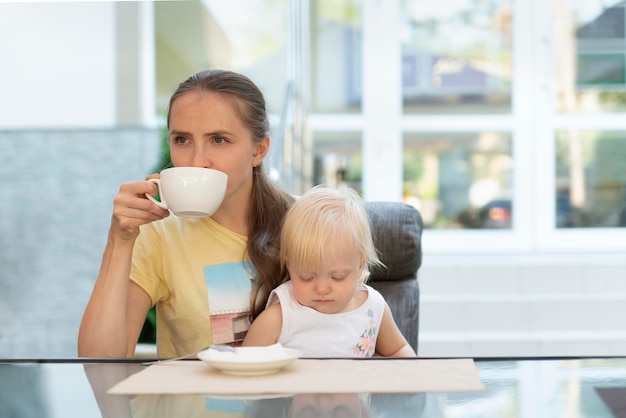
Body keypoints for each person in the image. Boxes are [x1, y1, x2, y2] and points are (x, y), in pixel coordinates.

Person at [78, 69, 294, 358]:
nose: (196, 161)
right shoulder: (159, 234)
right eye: (182, 140)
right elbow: (100, 361)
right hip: (186, 404)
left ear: (259, 150)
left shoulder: (307, 222)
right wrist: (119, 241)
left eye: (219, 140)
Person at [242, 186, 416, 357]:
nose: (322, 288)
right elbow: (243, 366)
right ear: (289, 265)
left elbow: (398, 349)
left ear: (360, 264)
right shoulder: (280, 317)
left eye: (337, 277)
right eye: (306, 277)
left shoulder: (373, 308)